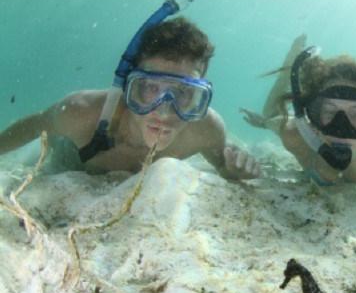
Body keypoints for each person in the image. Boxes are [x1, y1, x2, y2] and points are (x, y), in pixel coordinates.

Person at [0, 17, 261, 180]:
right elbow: (35, 125)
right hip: (65, 158)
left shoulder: (206, 130)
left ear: (199, 97)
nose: (165, 111)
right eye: (150, 88)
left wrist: (236, 170)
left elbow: (224, 168)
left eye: (183, 93)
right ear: (127, 88)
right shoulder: (81, 111)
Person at [241, 35, 356, 185]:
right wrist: (265, 123)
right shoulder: (295, 134)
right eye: (329, 112)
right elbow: (272, 116)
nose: (341, 127)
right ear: (311, 117)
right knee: (270, 116)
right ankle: (291, 64)